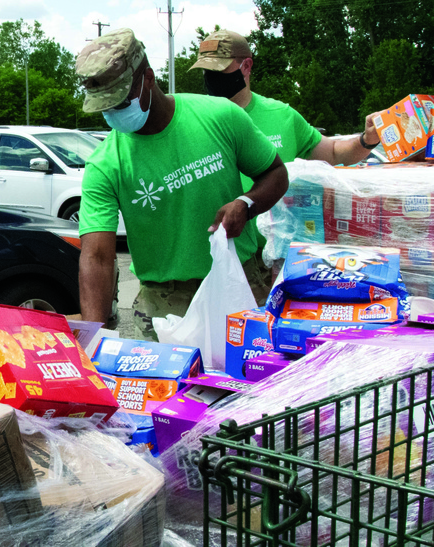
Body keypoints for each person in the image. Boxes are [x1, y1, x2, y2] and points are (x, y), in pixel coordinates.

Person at [75, 28, 289, 341]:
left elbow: (275, 173)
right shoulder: (106, 164)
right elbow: (97, 256)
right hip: (163, 307)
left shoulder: (219, 116)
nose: (113, 113)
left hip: (240, 285)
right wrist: (92, 338)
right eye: (104, 108)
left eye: (120, 103)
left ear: (147, 78)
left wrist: (246, 204)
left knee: (251, 385)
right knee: (164, 390)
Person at [190, 29, 381, 169]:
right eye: (207, 70)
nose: (211, 76)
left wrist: (367, 140)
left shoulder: (282, 116)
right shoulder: (193, 122)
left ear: (246, 66)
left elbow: (333, 152)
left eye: (219, 68)